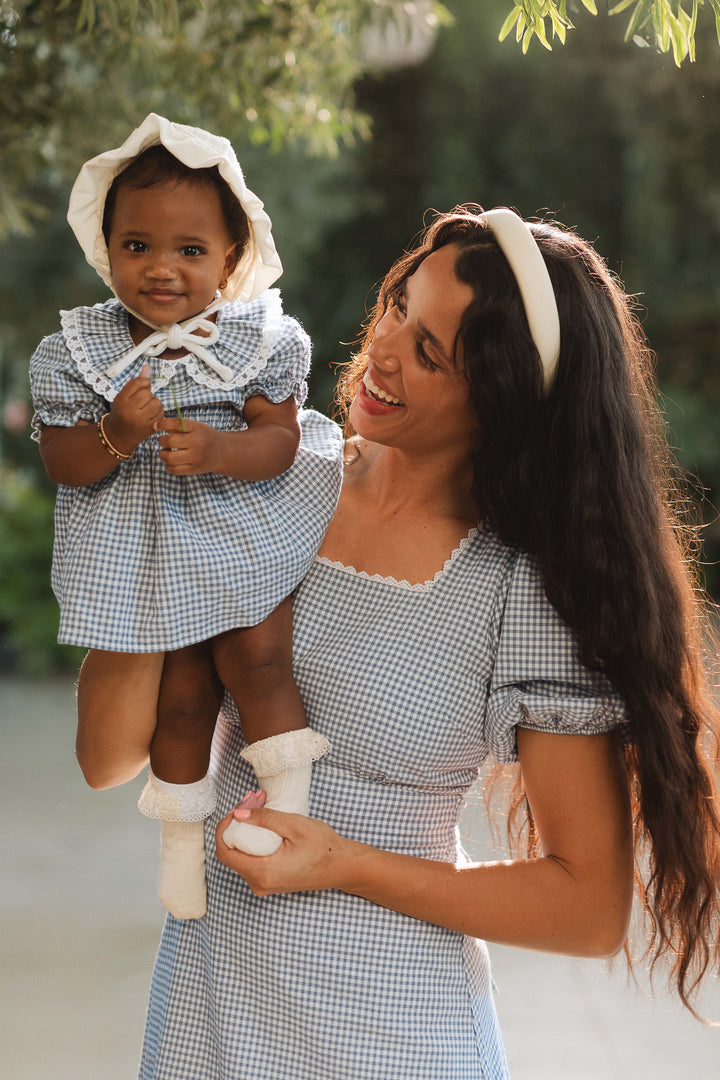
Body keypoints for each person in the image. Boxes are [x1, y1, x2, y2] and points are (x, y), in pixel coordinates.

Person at [103, 204, 719, 1079]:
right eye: (398, 305)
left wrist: (344, 864)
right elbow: (116, 749)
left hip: (391, 1037)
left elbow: (586, 906)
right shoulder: (279, 482)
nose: (385, 349)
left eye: (430, 352)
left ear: (501, 400)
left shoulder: (520, 588)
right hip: (208, 1020)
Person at [29, 114, 343, 921]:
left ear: (231, 259)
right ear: (106, 246)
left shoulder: (259, 339)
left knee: (262, 665)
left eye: (190, 251)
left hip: (238, 532)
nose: (161, 269)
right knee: (184, 700)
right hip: (144, 554)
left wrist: (219, 451)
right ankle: (180, 853)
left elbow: (277, 441)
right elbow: (64, 462)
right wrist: (117, 433)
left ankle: (289, 815)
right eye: (137, 246)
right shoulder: (77, 350)